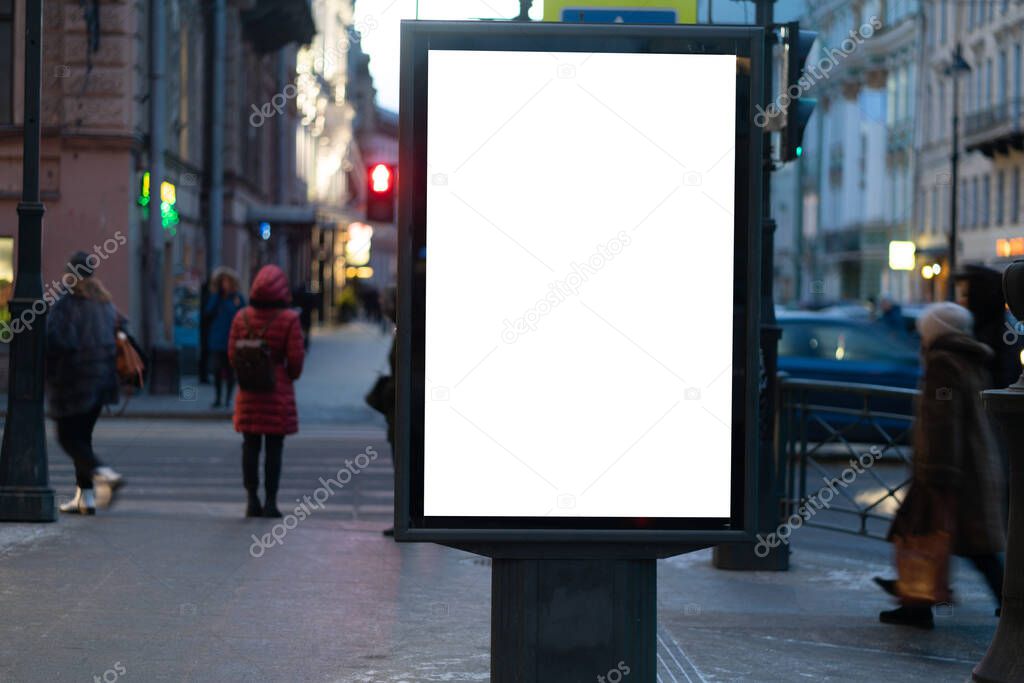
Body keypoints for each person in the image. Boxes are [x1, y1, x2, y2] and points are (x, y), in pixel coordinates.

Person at [876, 302, 1006, 628]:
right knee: (957, 540)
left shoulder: (942, 363)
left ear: (933, 331)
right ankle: (915, 603)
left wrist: (938, 472)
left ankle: (920, 604)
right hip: (970, 464)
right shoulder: (968, 358)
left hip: (946, 467)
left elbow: (943, 420)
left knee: (934, 536)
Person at [46, 251, 124, 515]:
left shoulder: (67, 303)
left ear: (71, 275)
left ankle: (104, 473)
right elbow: (122, 331)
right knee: (83, 438)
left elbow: (54, 339)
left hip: (73, 384)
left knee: (67, 437)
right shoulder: (105, 302)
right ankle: (85, 497)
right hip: (102, 384)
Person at [228, 264, 305, 518]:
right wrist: (287, 375)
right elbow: (295, 360)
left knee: (250, 445)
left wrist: (248, 371)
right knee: (274, 448)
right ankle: (271, 502)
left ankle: (252, 499)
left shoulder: (242, 317)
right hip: (277, 391)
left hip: (249, 390)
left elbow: (232, 355)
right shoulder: (289, 319)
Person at [204, 267, 245, 408]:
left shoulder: (237, 298)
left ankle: (228, 398)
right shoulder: (216, 297)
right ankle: (217, 398)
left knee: (230, 370)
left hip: (233, 339)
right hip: (217, 340)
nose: (225, 284)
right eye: (223, 282)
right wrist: (218, 297)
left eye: (227, 281)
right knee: (216, 369)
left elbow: (243, 315)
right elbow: (208, 312)